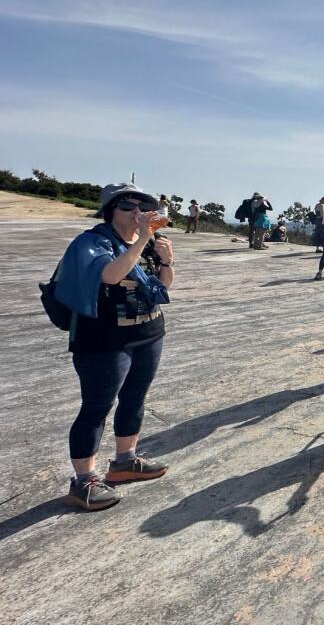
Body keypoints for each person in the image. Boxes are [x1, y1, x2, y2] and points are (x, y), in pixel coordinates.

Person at [52, 183, 176, 511]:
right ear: (110, 211)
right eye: (127, 207)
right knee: (96, 407)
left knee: (135, 398)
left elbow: (162, 290)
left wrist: (166, 262)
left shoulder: (146, 242)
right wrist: (145, 238)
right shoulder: (91, 242)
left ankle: (124, 461)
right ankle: (84, 482)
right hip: (103, 340)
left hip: (148, 333)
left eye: (142, 206)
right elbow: (110, 275)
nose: (136, 213)